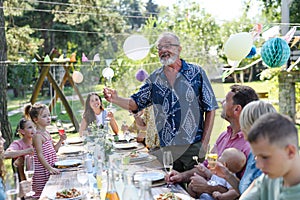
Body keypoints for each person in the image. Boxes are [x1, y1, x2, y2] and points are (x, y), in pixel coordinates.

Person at [104, 32, 218, 172]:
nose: (163, 50)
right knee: (169, 188)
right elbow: (136, 103)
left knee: (194, 188)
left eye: (168, 46)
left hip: (193, 146)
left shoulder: (197, 73)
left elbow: (210, 107)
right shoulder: (154, 79)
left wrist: (204, 143)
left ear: (179, 49)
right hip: (167, 150)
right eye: (160, 48)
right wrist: (116, 99)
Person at [165, 84, 258, 194]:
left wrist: (209, 188)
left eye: (226, 100)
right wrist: (181, 176)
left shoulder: (250, 147)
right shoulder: (224, 136)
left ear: (236, 109)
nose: (222, 103)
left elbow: (245, 191)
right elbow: (206, 167)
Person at [211, 100, 277, 194]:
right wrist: (226, 174)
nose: (241, 129)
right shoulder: (254, 154)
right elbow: (245, 191)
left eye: (244, 125)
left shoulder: (272, 162)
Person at [240, 113, 300, 199]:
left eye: (265, 157)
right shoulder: (269, 178)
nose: (258, 165)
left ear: (290, 152)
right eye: (256, 156)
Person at [25, 103, 66, 198]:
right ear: (36, 120)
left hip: (51, 168)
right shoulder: (37, 136)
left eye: (49, 115)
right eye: (44, 116)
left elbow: (54, 150)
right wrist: (50, 169)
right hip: (43, 172)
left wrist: (61, 140)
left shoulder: (47, 133)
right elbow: (40, 155)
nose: (48, 118)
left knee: (54, 193)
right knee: (44, 195)